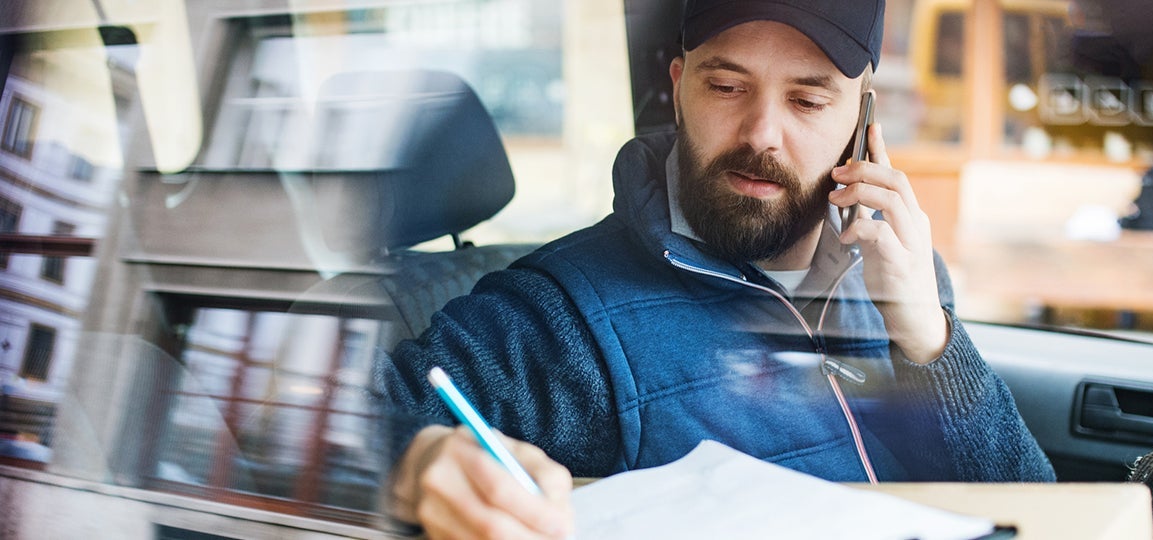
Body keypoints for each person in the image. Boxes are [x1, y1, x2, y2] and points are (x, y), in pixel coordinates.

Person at [377, 0, 1055, 537]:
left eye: (807, 101)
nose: (762, 132)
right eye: (728, 86)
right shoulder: (562, 318)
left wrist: (930, 339)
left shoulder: (898, 274)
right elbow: (333, 428)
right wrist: (414, 464)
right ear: (679, 89)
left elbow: (1042, 515)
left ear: (862, 118)